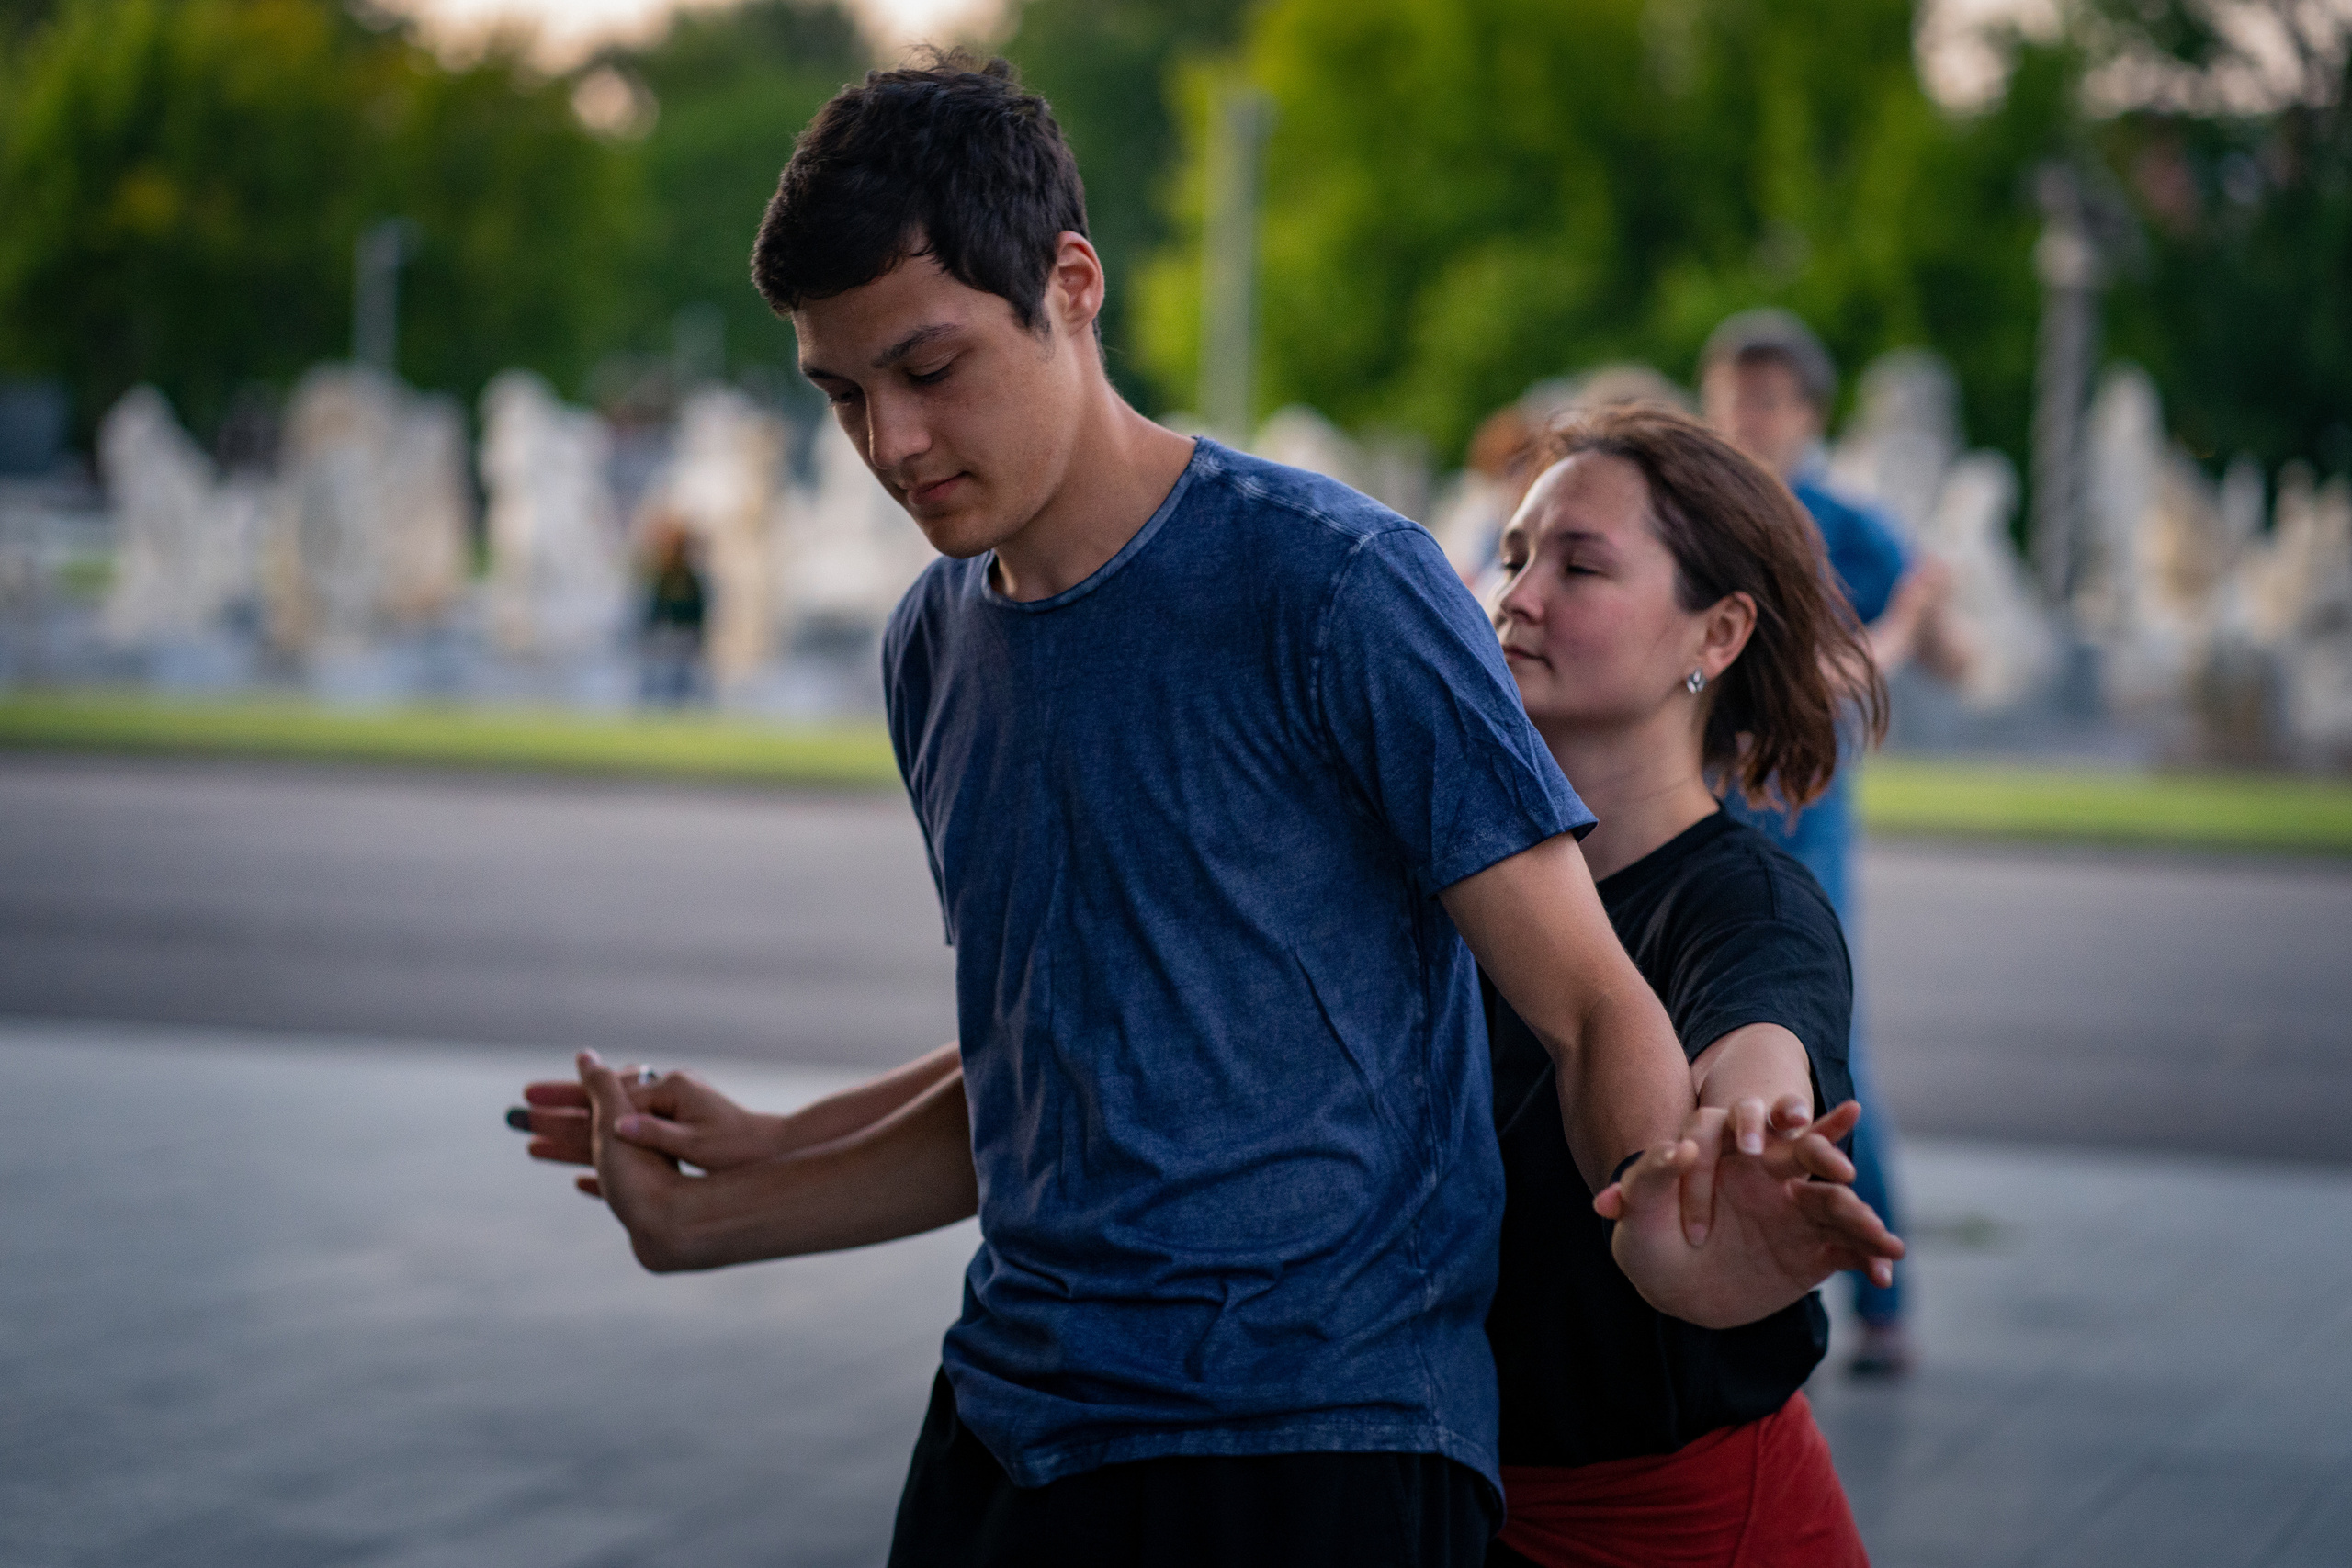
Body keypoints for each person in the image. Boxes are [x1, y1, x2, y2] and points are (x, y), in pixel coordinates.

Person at [514, 55, 1897, 1568]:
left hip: (1312, 1455)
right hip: (1007, 1433)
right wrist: (726, 1198)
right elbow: (1068, 1080)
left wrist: (1676, 1235)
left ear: (1072, 284)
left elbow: (1595, 1005)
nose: (889, 443)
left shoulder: (1335, 588)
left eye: (929, 368)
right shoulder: (930, 644)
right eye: (843, 394)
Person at [1481, 404, 1893, 1566]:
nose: (1516, 595)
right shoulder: (1448, 877)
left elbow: (1759, 1037)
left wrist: (1745, 1133)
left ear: (1715, 632)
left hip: (1684, 1531)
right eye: (1511, 556)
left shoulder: (1744, 905)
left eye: (1579, 565)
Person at [1698, 309, 1970, 1378]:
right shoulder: (1701, 511)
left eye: (1765, 398)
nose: (1742, 416)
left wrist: (1919, 611)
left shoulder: (1840, 522)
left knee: (1827, 1053)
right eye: (1728, 393)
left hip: (1806, 834)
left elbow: (1935, 656)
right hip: (1704, 814)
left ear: (1809, 415)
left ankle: (1878, 1290)